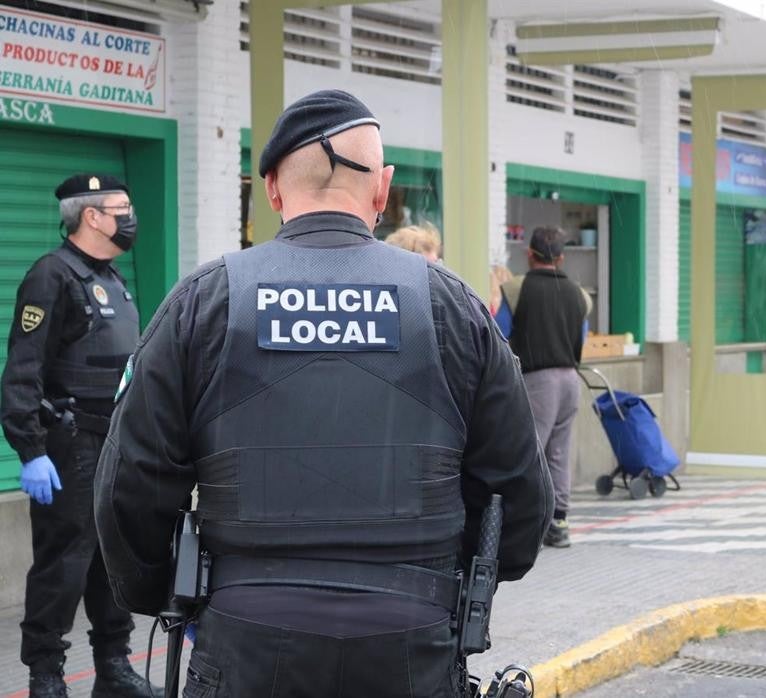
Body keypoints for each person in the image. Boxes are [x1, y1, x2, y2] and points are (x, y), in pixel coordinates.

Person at [94, 90, 553, 697]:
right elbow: (520, 495)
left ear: (274, 191)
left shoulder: (203, 303)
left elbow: (129, 490)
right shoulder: (451, 305)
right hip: (413, 646)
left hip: (244, 644)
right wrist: (439, 585)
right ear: (382, 190)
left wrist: (180, 592)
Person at [0, 174, 156, 698]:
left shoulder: (112, 277)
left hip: (114, 444)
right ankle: (45, 674)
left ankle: (113, 669)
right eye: (122, 207)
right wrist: (31, 449)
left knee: (111, 559)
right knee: (63, 565)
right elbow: (23, 370)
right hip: (69, 447)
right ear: (92, 216)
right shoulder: (51, 277)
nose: (130, 217)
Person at [500, 228, 592, 549]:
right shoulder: (579, 294)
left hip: (537, 381)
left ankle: (529, 525)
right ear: (562, 257)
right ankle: (559, 522)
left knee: (531, 451)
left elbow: (499, 335)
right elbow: (583, 336)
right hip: (570, 380)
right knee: (559, 452)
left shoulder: (515, 289)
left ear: (529, 253)